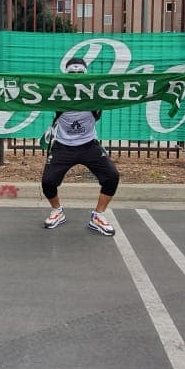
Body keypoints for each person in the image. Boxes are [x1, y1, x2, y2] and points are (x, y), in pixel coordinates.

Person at [40, 57, 120, 236]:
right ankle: (57, 211)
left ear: (86, 75)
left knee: (112, 176)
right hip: (63, 146)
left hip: (89, 145)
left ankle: (98, 216)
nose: (76, 76)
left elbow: (124, 92)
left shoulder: (96, 96)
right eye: (72, 73)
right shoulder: (57, 95)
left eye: (80, 73)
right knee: (48, 182)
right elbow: (22, 94)